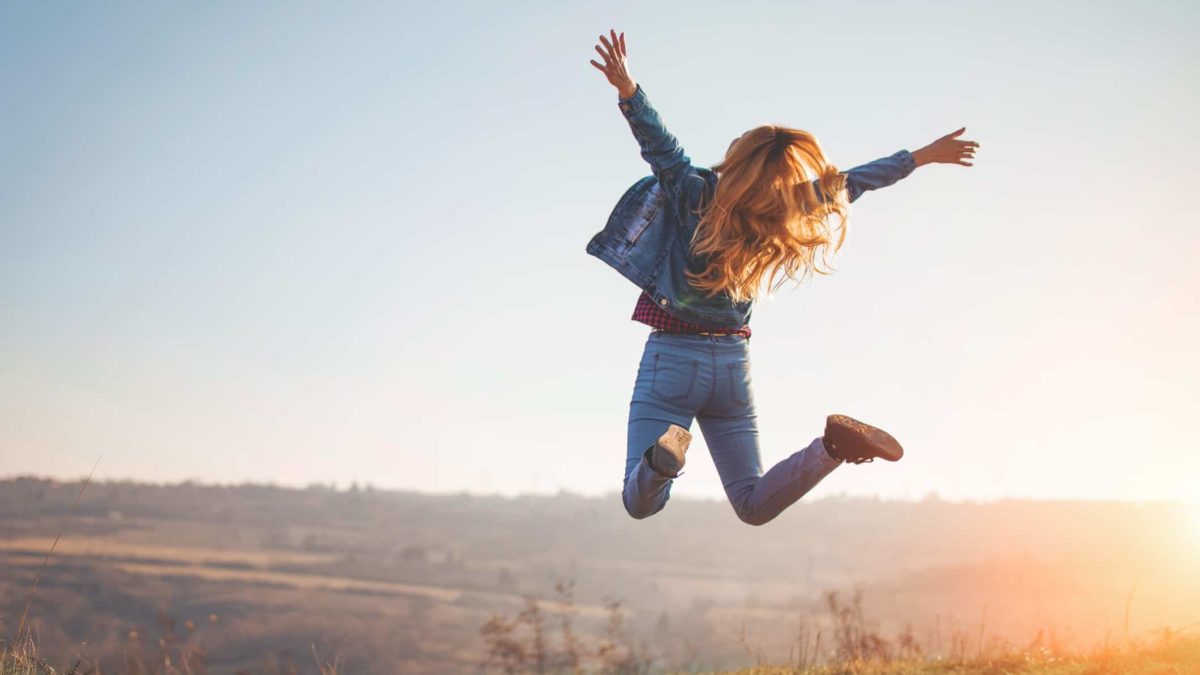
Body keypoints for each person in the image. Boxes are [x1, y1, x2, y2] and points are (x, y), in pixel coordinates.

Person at [588, 30, 979, 525]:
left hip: (672, 358)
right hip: (732, 364)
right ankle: (834, 448)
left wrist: (628, 89)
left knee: (640, 502)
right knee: (752, 503)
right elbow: (851, 182)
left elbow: (659, 145)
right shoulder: (783, 211)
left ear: (738, 158)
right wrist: (920, 157)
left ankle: (661, 462)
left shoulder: (694, 193)